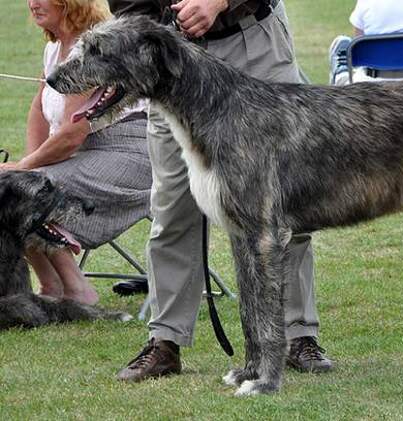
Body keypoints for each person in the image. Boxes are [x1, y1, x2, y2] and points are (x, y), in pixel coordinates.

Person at [108, 0, 333, 381]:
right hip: (172, 55)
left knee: (281, 202)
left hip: (253, 42)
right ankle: (165, 340)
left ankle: (298, 336)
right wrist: (162, 34)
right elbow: (130, 7)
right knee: (173, 206)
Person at [0, 0, 151, 305]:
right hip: (86, 153)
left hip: (129, 154)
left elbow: (71, 133)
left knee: (15, 188)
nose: (32, 4)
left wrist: (25, 172)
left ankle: (78, 291)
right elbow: (39, 109)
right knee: (14, 189)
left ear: (69, 3)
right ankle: (50, 287)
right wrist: (30, 169)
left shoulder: (90, 52)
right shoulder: (54, 49)